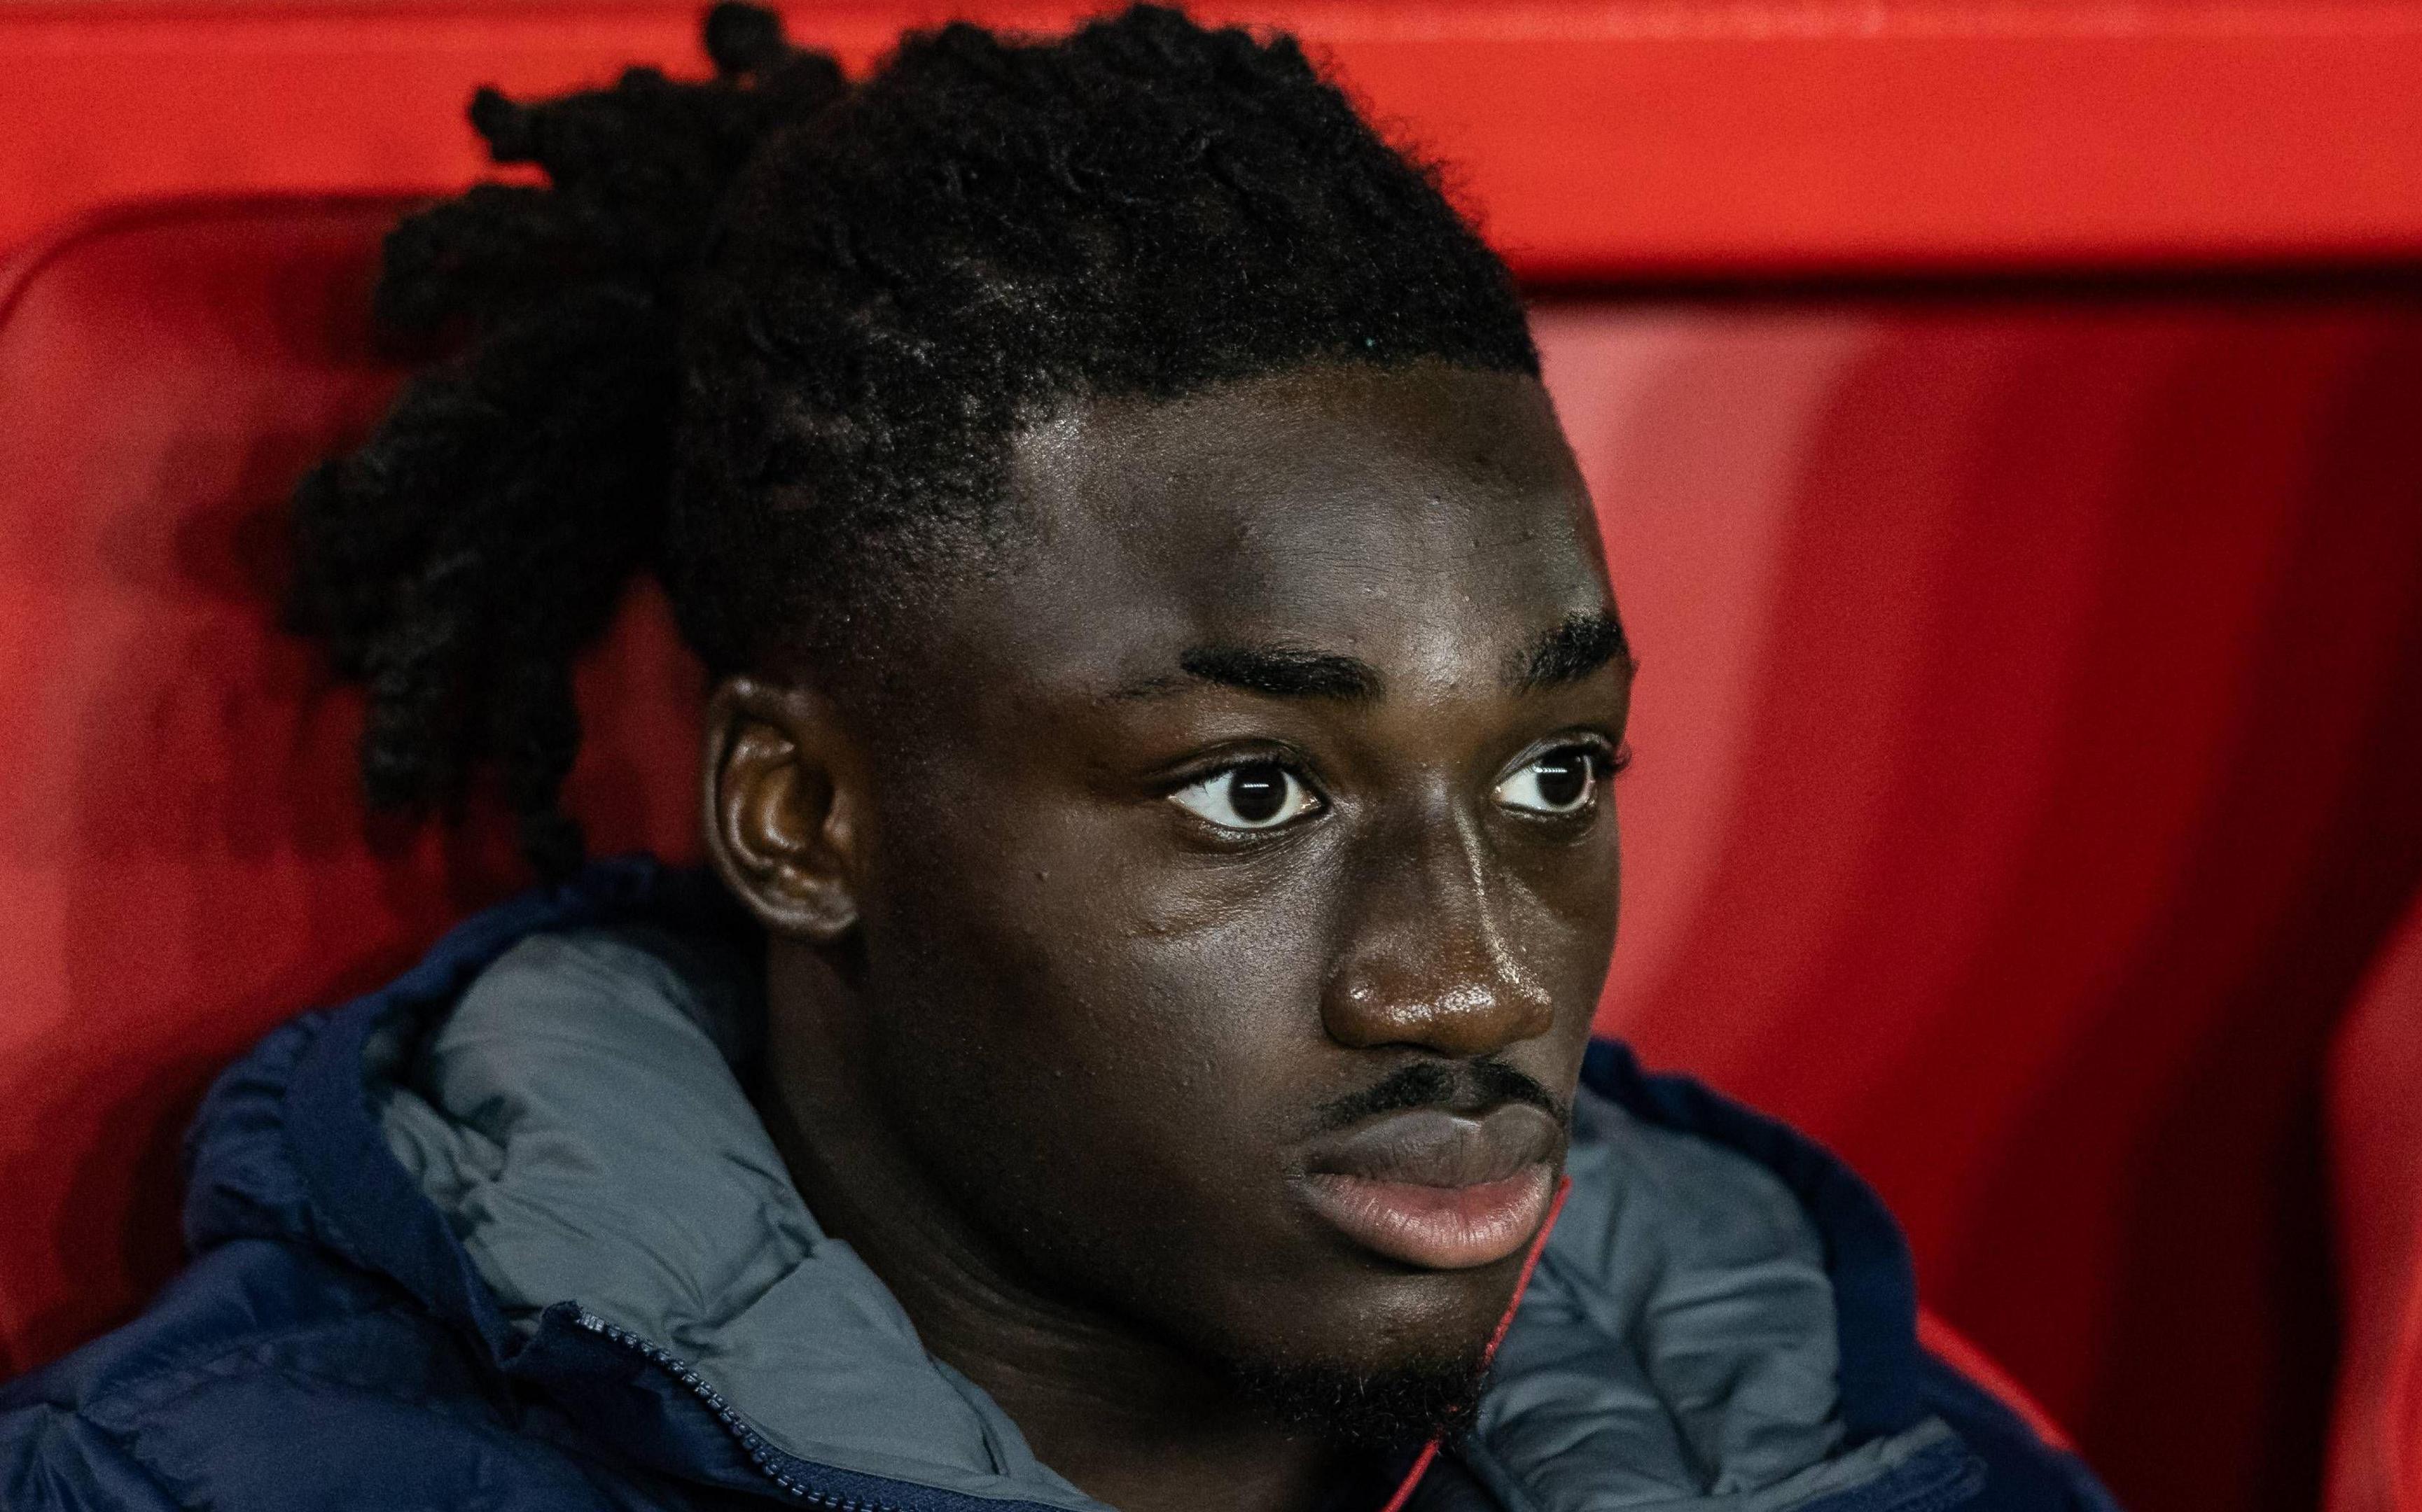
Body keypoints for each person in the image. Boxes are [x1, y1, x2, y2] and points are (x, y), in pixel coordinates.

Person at [0, 8, 2116, 1509]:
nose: (1470, 984)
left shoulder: (1831, 1416)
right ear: (800, 819)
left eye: (1554, 773)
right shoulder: (202, 1487)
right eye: (1253, 792)